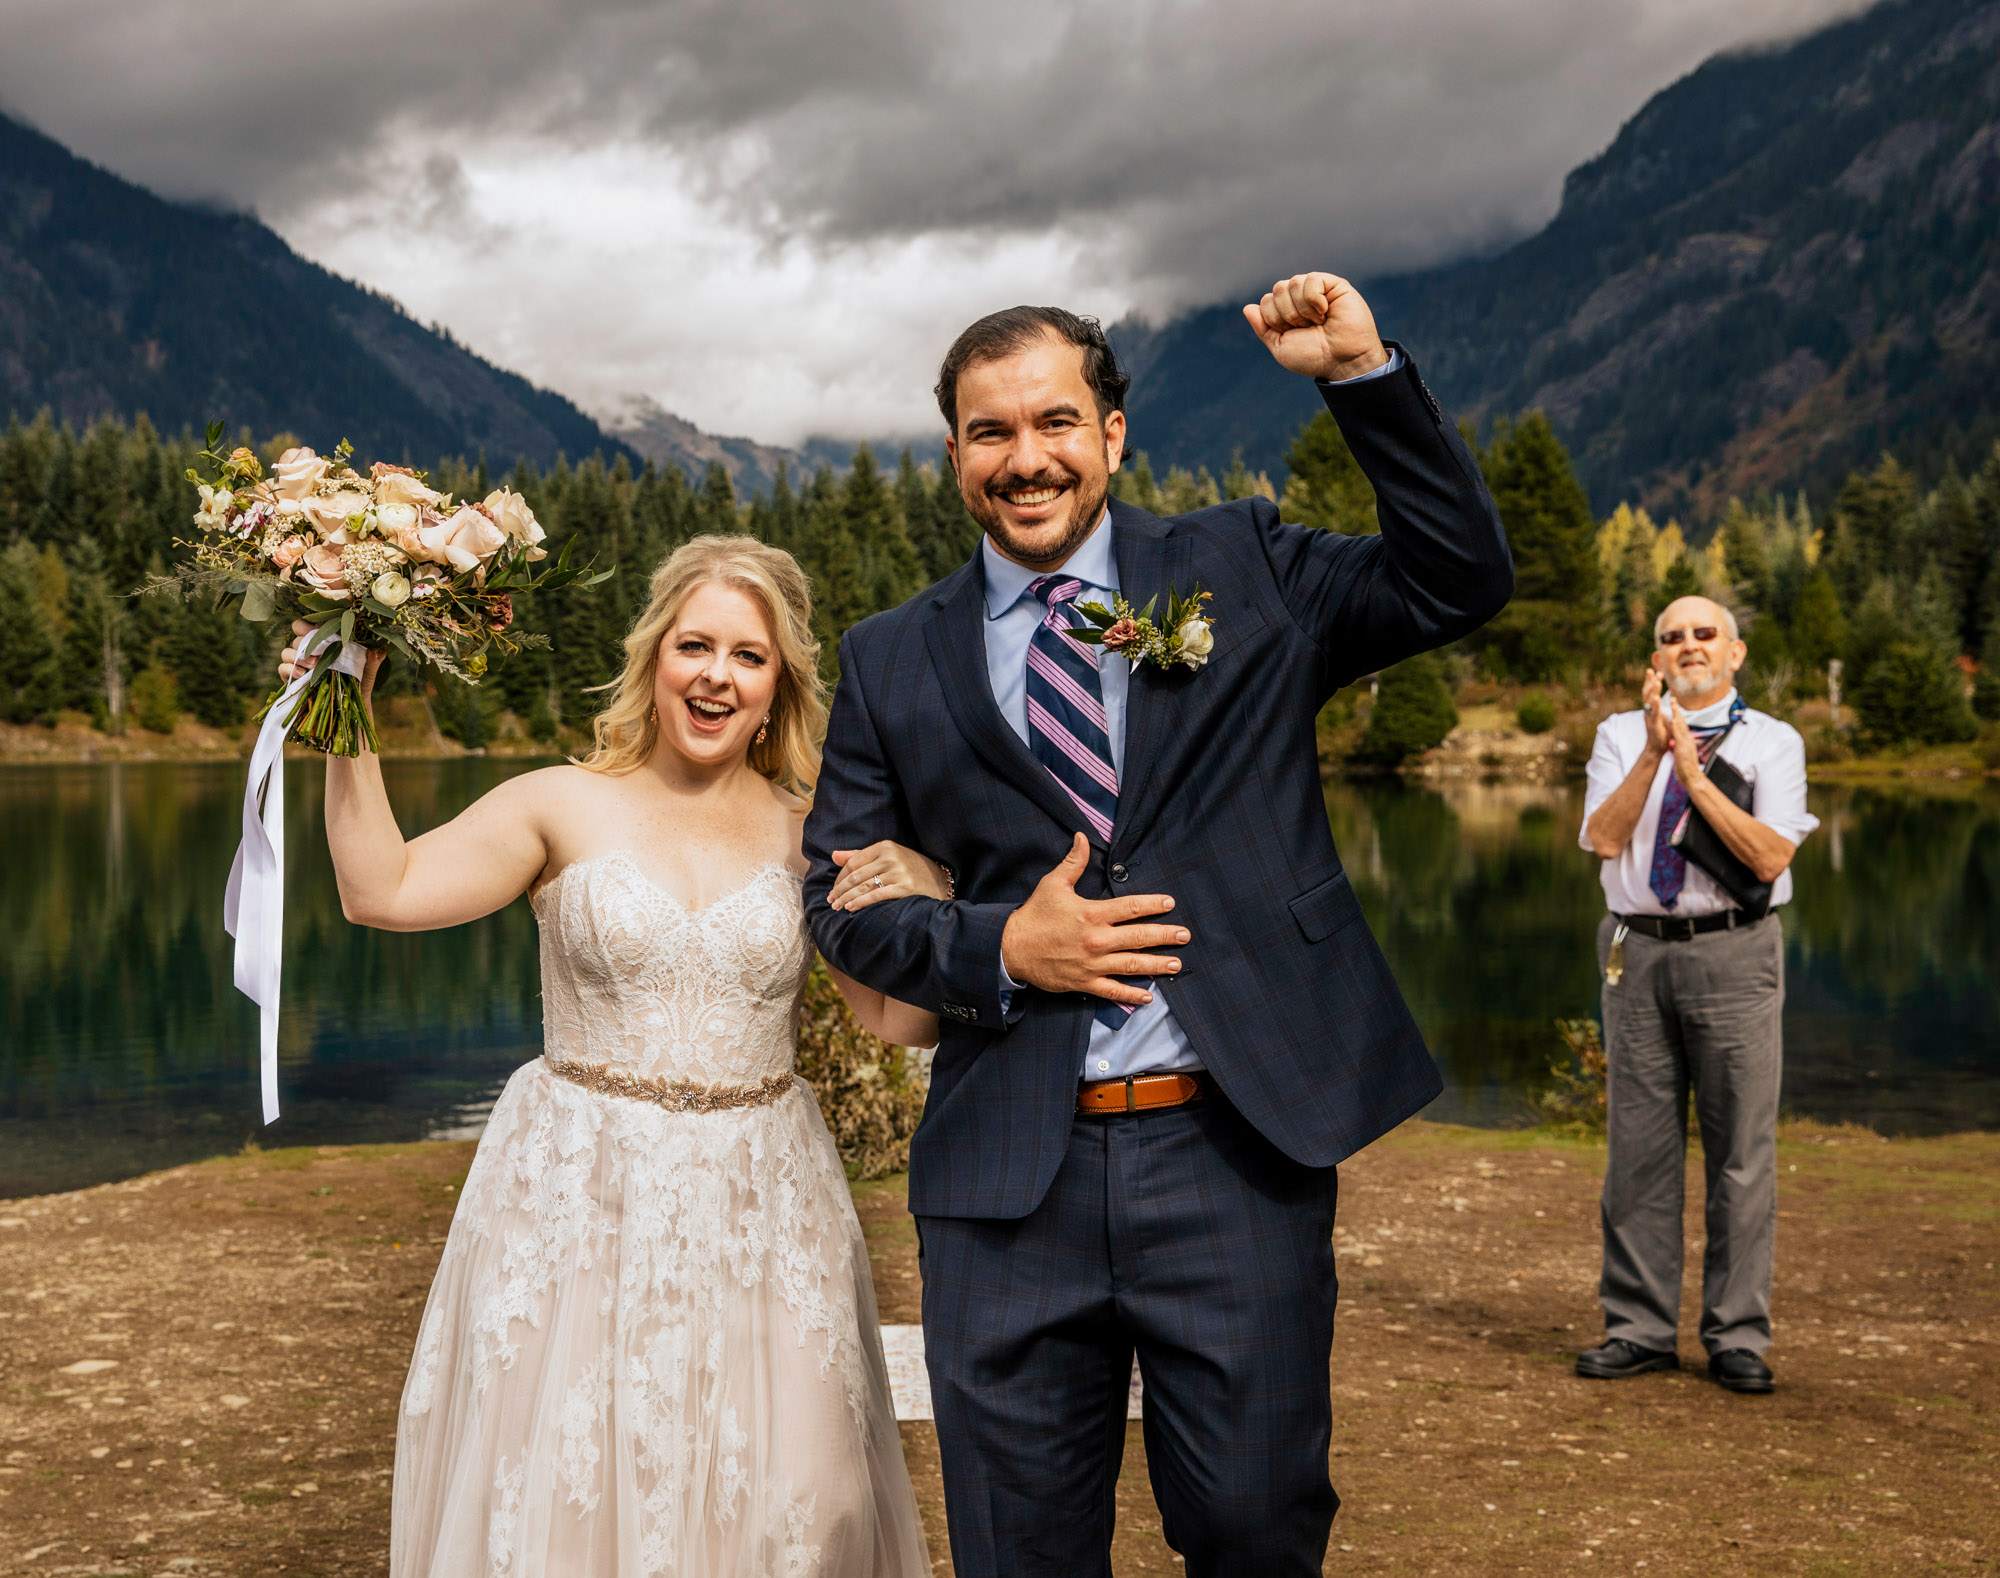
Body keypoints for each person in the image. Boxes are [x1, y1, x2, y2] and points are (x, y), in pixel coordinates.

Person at [804, 272, 1514, 1577]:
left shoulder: (1244, 568)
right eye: (990, 432)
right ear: (954, 452)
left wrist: (1362, 374)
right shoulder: (890, 656)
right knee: (1020, 1551)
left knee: (1254, 1530)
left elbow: (1460, 577)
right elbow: (834, 900)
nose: (1027, 460)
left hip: (1234, 1148)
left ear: (1113, 434)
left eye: (1054, 422)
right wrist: (999, 946)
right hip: (1008, 1180)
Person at [279, 536, 941, 1576]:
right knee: (568, 1499)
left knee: (803, 1504)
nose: (716, 675)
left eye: (748, 656)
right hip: (574, 1200)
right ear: (653, 661)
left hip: (764, 1210)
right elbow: (383, 891)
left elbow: (898, 1022)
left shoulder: (816, 835)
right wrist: (344, 704)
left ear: (779, 687)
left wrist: (928, 898)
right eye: (694, 645)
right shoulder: (558, 803)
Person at [1574, 594, 1818, 1395]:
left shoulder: (1774, 742)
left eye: (1703, 633)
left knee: (1741, 1156)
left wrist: (1693, 774)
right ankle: (1639, 1329)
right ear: (1656, 659)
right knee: (1637, 1155)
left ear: (1735, 651)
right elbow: (1604, 840)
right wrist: (1652, 754)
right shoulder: (1617, 734)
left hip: (1735, 957)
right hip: (1636, 953)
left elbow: (1770, 857)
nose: (1688, 646)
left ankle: (1736, 1335)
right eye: (1671, 637)